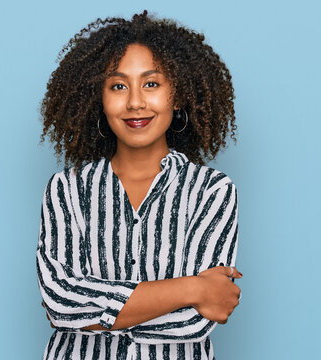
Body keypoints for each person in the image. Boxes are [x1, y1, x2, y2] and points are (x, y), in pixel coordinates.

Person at [37, 11, 242, 360]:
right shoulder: (67, 190)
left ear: (177, 96)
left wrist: (88, 311)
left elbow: (194, 322)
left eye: (151, 83)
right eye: (118, 86)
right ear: (99, 100)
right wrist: (193, 287)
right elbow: (60, 302)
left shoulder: (212, 191)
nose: (134, 102)